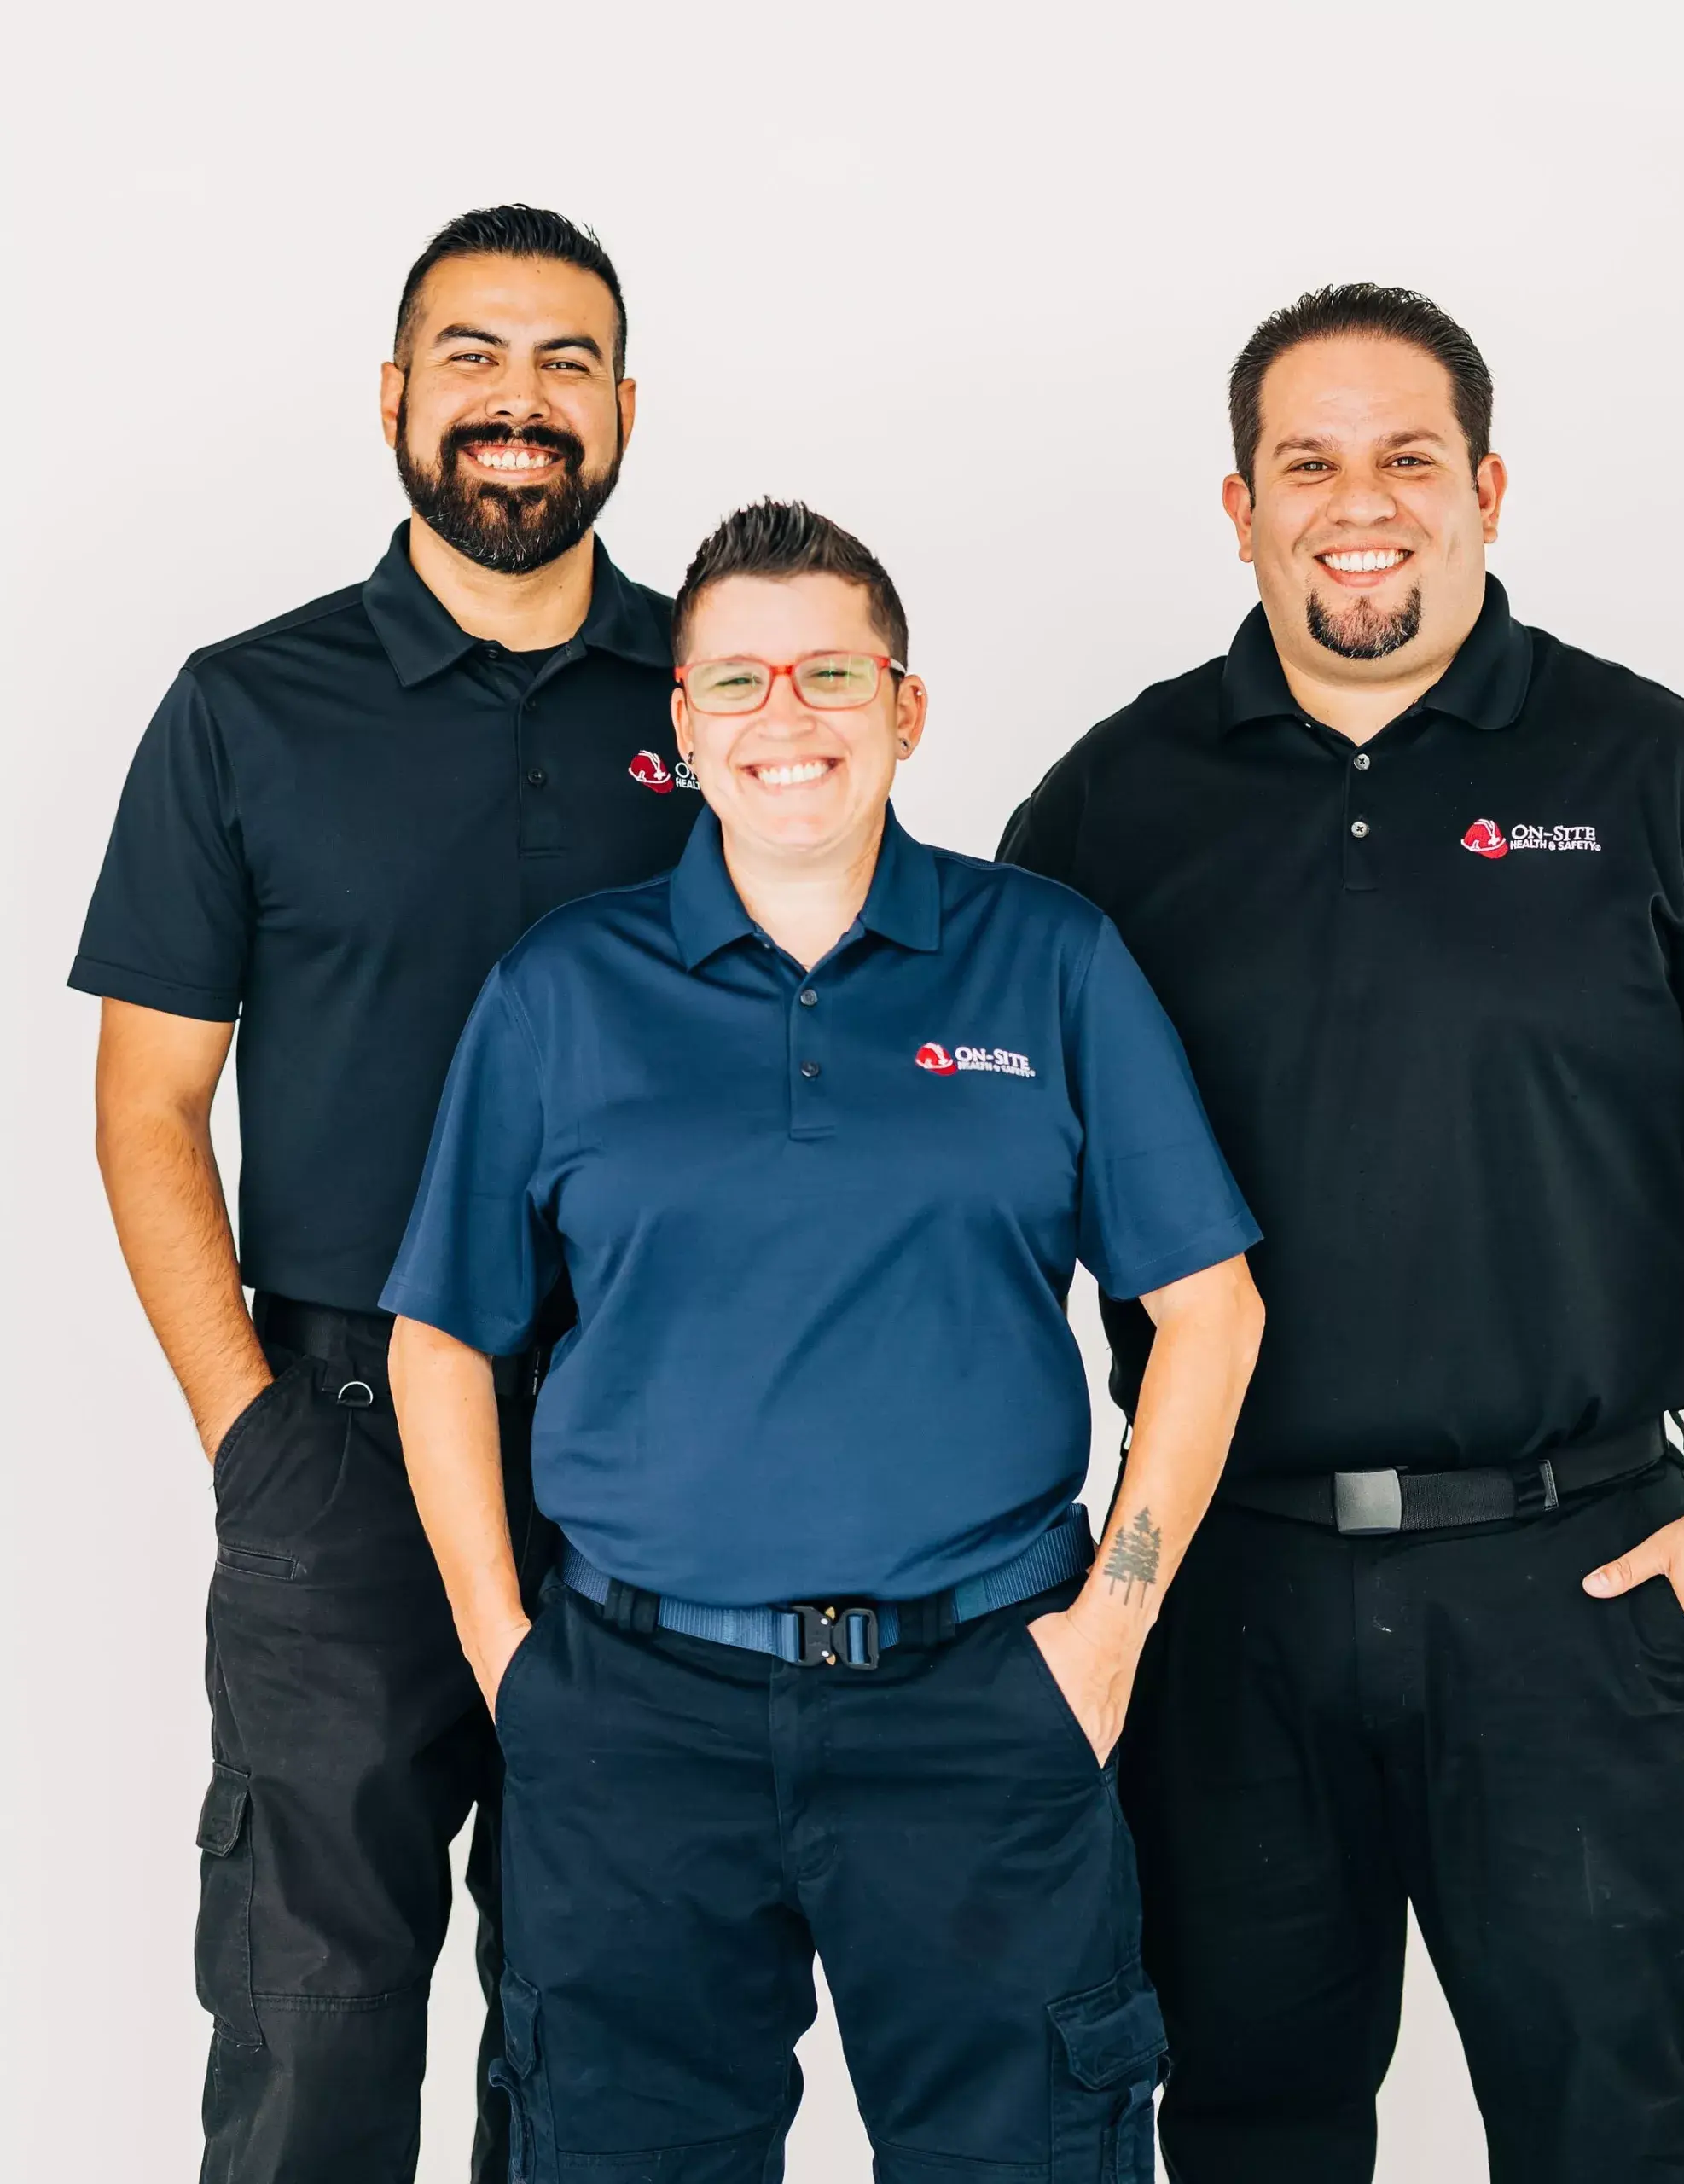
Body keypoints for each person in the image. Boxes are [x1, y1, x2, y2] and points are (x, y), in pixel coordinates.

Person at [1000, 283, 1684, 2183]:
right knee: (1248, 2127)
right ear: (1238, 508)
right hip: (1223, 1590)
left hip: (1572, 1592)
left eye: (1406, 457)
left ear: (1484, 488)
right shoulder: (1107, 807)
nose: (1358, 504)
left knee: (1603, 2136)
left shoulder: (1664, 781)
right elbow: (988, 1195)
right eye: (1305, 463)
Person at [381, 499, 1265, 2182]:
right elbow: (441, 1340)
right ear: (681, 725)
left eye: (829, 673)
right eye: (737, 679)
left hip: (980, 1699)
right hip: (637, 1716)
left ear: (904, 707)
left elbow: (1208, 1308)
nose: (783, 715)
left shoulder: (1048, 958)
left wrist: (1110, 1632)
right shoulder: (562, 989)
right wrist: (508, 1660)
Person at [69, 206, 703, 2183]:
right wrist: (248, 1432)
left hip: (652, 1448)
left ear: (623, 406)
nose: (520, 401)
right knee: (312, 2032)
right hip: (336, 1444)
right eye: (473, 357)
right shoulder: (246, 706)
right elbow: (149, 1106)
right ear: (394, 396)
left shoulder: (721, 693)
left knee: (610, 2023)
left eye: (566, 361)